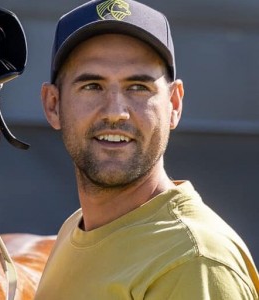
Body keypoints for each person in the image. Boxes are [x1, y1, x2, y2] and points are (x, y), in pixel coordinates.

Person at [35, 0, 259, 299]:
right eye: (92, 86)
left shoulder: (193, 261)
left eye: (138, 87)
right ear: (53, 105)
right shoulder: (74, 230)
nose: (115, 112)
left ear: (174, 104)